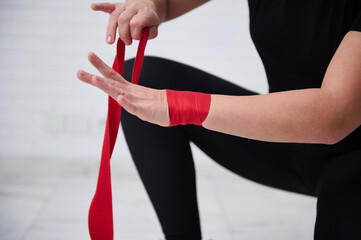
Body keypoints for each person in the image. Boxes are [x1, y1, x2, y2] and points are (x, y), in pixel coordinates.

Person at [77, 1, 361, 239]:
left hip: (352, 157)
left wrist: (178, 106)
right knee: (145, 78)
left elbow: (334, 114)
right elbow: (166, 3)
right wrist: (151, 5)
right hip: (287, 143)